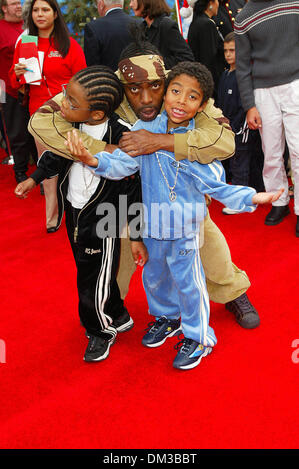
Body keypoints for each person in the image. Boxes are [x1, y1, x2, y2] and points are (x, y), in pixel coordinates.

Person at [28, 36, 261, 330]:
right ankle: (109, 309)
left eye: (155, 86)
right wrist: (108, 150)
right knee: (114, 259)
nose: (147, 98)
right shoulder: (102, 86)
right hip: (121, 195)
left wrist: (160, 142)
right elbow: (40, 120)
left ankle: (232, 291)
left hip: (176, 194)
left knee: (206, 239)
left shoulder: (182, 88)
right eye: (134, 89)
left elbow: (225, 142)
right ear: (120, 82)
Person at [66, 62, 283, 370]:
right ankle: (168, 318)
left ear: (202, 105)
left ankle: (199, 337)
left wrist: (251, 196)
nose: (181, 101)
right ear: (165, 93)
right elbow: (121, 164)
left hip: (184, 229)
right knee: (154, 278)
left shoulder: (197, 145)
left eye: (192, 97)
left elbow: (216, 184)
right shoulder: (145, 133)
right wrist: (91, 160)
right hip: (153, 225)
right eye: (176, 91)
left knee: (189, 283)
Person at [15, 65, 143, 363]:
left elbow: (132, 184)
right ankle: (117, 312)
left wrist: (133, 230)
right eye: (65, 96)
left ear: (97, 113)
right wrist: (34, 178)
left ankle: (100, 330)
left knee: (89, 278)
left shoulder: (121, 136)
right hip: (76, 210)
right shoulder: (74, 126)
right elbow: (57, 156)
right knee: (95, 271)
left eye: (72, 102)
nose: (63, 104)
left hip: (105, 217)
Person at [9, 0, 86, 232]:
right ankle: (52, 218)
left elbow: (82, 80)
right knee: (47, 168)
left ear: (55, 14)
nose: (39, 14)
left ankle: (78, 212)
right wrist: (17, 74)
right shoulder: (26, 43)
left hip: (67, 115)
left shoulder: (68, 44)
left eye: (45, 10)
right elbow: (15, 83)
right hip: (39, 116)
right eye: (35, 10)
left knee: (76, 163)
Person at [234, 0, 299, 237]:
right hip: (262, 91)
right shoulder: (243, 18)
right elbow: (241, 66)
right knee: (270, 151)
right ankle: (279, 202)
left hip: (296, 84)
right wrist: (249, 105)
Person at [216, 31, 264, 214]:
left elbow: (247, 104)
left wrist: (236, 126)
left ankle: (242, 202)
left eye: (232, 50)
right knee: (238, 162)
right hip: (227, 127)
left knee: (240, 163)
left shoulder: (245, 75)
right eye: (225, 50)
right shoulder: (225, 74)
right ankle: (250, 195)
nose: (228, 54)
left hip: (241, 127)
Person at [0, 0, 37, 183]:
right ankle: (20, 171)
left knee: (34, 131)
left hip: (32, 89)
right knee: (16, 132)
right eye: (13, 3)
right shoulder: (1, 29)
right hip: (8, 89)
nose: (18, 6)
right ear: (4, 8)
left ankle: (39, 170)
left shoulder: (30, 29)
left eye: (19, 3)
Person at [130, 0, 194, 69]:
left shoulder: (166, 25)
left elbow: (186, 58)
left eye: (133, 0)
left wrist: (156, 64)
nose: (130, 4)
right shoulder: (142, 28)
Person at [84, 0, 138, 71]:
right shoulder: (139, 24)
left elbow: (93, 67)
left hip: (107, 80)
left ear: (101, 4)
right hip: (135, 79)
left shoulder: (93, 27)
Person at [188, 0, 226, 99]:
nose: (218, 4)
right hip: (212, 84)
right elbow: (210, 59)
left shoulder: (197, 22)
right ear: (210, 3)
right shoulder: (206, 24)